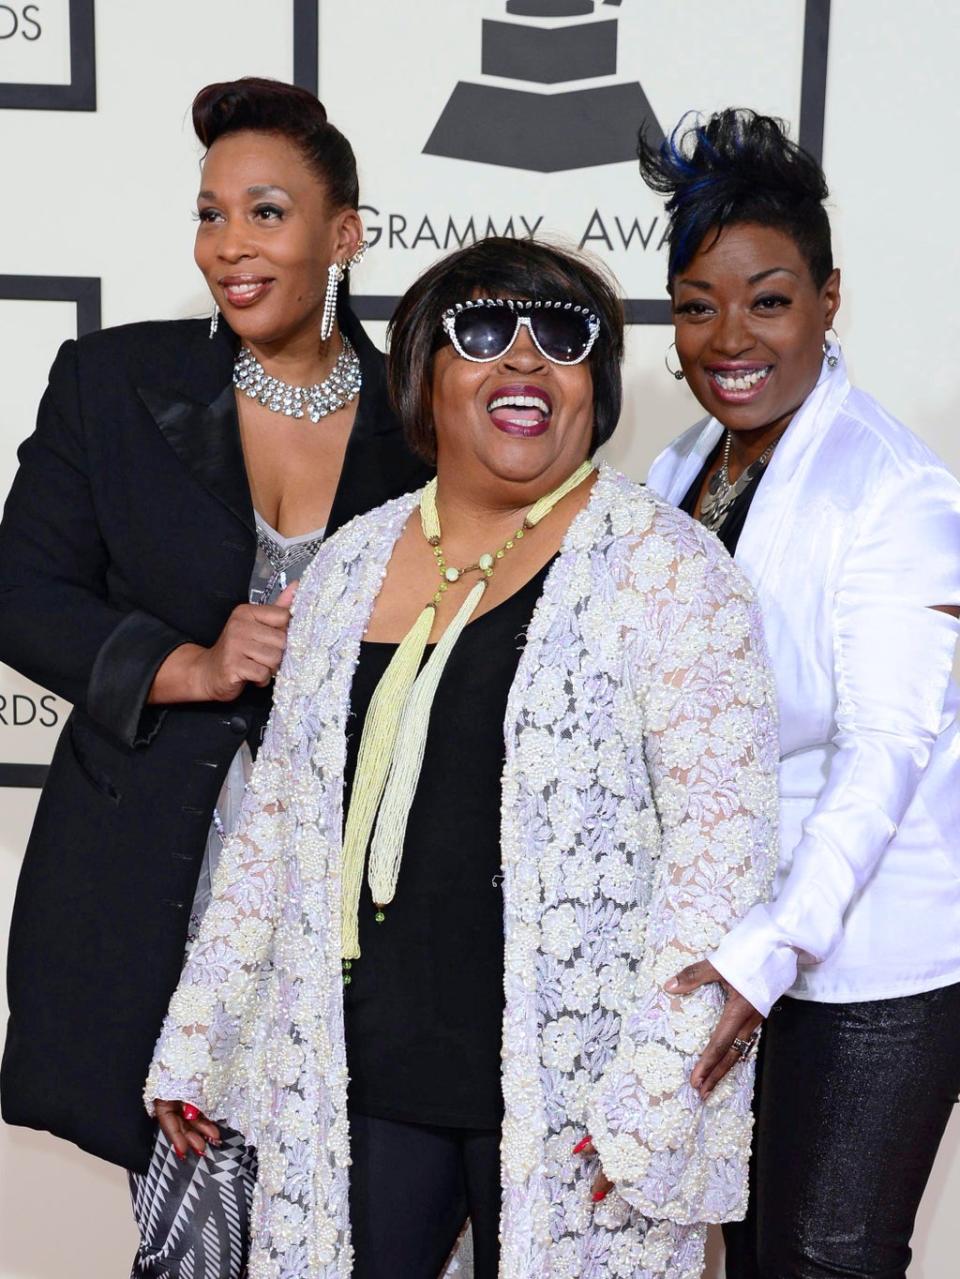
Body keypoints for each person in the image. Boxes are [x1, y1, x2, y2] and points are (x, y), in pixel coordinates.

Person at [145, 236, 780, 1279]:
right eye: (482, 332)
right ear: (424, 376)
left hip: (573, 1097)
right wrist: (202, 1034)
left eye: (563, 337)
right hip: (363, 1077)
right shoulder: (354, 560)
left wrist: (656, 1098)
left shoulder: (667, 571)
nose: (525, 358)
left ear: (597, 385)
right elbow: (279, 826)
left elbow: (722, 855)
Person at [0, 76, 429, 1276]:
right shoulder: (113, 384)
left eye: (266, 212)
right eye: (210, 215)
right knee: (196, 1216)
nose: (230, 248)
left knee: (368, 1206)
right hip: (162, 877)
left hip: (354, 892)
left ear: (344, 233)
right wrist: (183, 662)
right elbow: (22, 592)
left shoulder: (426, 415)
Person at [641, 108, 960, 1279]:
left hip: (868, 964)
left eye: (768, 299)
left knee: (826, 1258)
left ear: (832, 300)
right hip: (733, 944)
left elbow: (884, 751)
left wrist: (770, 951)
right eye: (695, 304)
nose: (730, 336)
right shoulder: (685, 464)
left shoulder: (897, 495)